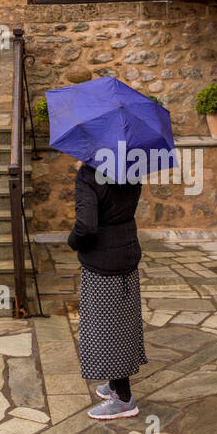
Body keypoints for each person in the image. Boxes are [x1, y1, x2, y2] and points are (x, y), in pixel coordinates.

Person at [67, 158, 147, 419]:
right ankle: (114, 382)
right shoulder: (131, 167)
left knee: (107, 328)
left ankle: (123, 398)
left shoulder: (89, 175)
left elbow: (86, 226)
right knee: (122, 321)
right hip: (127, 251)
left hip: (102, 260)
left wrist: (72, 241)